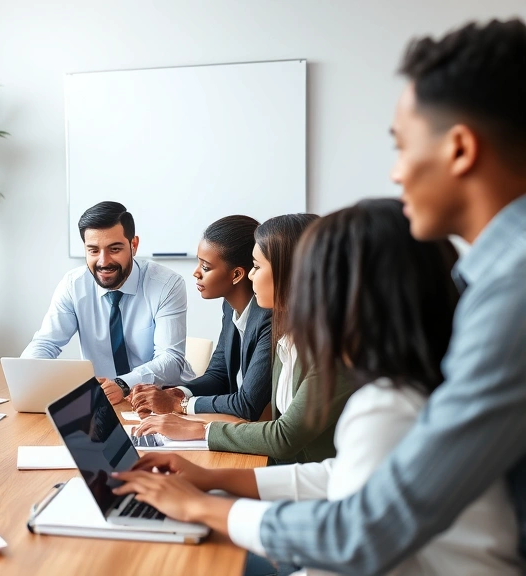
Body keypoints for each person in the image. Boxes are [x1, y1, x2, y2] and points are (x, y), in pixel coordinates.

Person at [200, 19, 526, 573]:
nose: (397, 175)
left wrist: (206, 506)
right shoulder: (491, 281)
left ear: (461, 148)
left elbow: (372, 524)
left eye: (402, 147)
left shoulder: (511, 292)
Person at [113, 199, 523, 574]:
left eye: (312, 271)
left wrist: (201, 506)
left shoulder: (387, 403)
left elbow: (348, 539)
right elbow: (342, 477)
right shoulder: (407, 384)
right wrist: (204, 481)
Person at [133, 214, 352, 465]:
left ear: (292, 272)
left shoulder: (329, 349)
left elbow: (283, 435)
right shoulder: (288, 336)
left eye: (256, 267)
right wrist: (175, 396)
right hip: (291, 472)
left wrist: (192, 421)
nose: (250, 276)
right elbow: (220, 375)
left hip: (315, 483)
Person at [22, 201, 193, 405]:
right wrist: (26, 377)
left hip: (164, 397)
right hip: (105, 400)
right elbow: (46, 343)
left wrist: (122, 384)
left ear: (134, 245)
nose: (103, 261)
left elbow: (171, 359)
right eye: (93, 250)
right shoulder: (73, 284)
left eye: (114, 249)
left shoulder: (166, 284)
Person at [129, 215, 273, 422]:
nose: (196, 273)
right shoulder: (230, 307)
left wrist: (179, 405)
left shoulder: (269, 317)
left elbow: (247, 404)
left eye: (205, 267)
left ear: (237, 275)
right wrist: (176, 393)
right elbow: (219, 375)